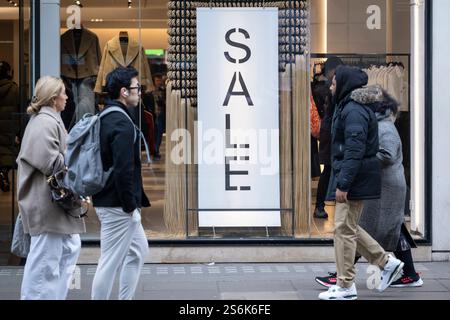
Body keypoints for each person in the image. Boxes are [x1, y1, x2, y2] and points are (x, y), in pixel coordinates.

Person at [315, 87, 423, 288]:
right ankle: (409, 273)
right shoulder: (380, 123)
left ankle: (343, 275)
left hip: (386, 188)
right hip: (384, 186)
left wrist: (362, 158)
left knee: (362, 228)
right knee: (389, 229)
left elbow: (387, 154)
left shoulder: (384, 127)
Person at [17, 76, 85, 299]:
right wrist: (77, 154)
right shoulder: (44, 122)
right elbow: (51, 163)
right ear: (54, 98)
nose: (66, 97)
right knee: (44, 262)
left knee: (67, 248)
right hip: (45, 204)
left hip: (52, 204)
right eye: (63, 93)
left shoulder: (48, 120)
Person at [91, 67, 150, 300]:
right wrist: (130, 207)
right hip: (117, 206)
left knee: (137, 251)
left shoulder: (108, 115)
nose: (140, 92)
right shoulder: (121, 123)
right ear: (124, 92)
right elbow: (123, 170)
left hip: (110, 201)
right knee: (109, 263)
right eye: (137, 88)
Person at [0, 61, 19, 192]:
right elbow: (20, 111)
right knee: (6, 155)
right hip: (9, 130)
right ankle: (4, 174)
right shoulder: (15, 89)